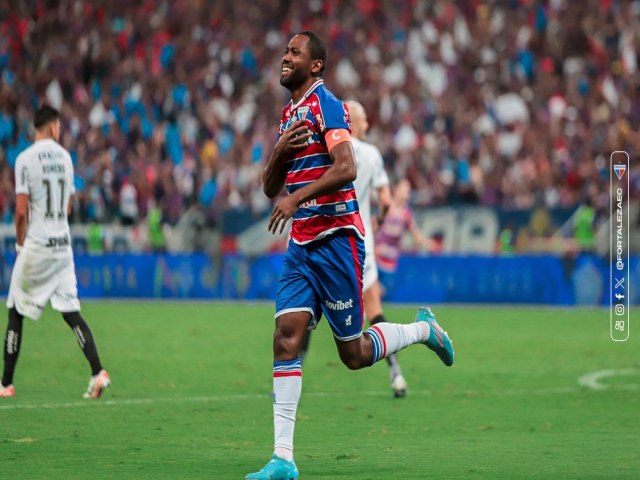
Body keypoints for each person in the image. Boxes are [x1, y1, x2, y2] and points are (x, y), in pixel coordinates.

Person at [246, 32, 454, 480]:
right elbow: (269, 189)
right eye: (285, 51)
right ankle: (283, 459)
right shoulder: (288, 114)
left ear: (315, 65)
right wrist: (279, 153)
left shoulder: (328, 106)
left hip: (339, 240)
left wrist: (296, 196)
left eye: (295, 52)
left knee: (353, 354)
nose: (285, 57)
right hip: (302, 244)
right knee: (286, 335)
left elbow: (346, 167)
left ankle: (423, 329)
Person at [298, 100, 408, 398]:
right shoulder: (371, 155)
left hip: (322, 241)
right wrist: (379, 219)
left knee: (307, 311)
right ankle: (396, 375)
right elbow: (386, 202)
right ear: (354, 123)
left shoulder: (324, 149)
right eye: (364, 120)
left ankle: (292, 375)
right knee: (375, 310)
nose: (368, 126)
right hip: (360, 243)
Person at [0, 105, 111, 400]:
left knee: (15, 310)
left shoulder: (24, 159)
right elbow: (68, 207)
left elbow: (21, 212)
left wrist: (21, 245)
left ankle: (5, 384)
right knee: (71, 312)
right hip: (64, 246)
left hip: (38, 245)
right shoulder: (66, 158)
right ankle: (97, 371)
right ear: (51, 128)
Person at [375, 179, 433, 297]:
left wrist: (430, 244)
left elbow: (416, 235)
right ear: (396, 190)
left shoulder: (406, 214)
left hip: (390, 263)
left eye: (408, 191)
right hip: (376, 258)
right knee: (370, 293)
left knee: (379, 294)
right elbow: (374, 227)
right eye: (404, 189)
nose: (406, 193)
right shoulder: (386, 206)